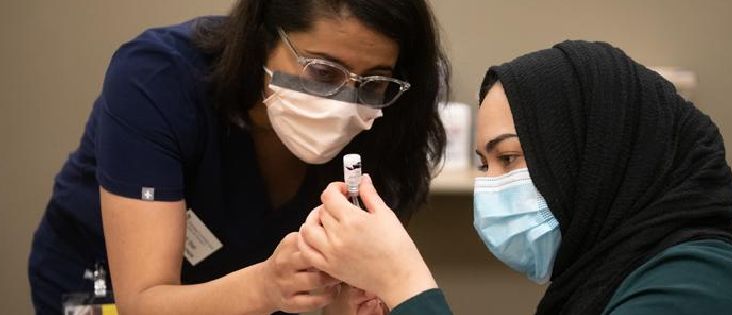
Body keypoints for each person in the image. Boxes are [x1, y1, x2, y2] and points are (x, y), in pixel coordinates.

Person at [297, 40, 732, 314]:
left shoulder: (699, 286)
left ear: (600, 156)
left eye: (511, 158)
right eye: (482, 164)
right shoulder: (604, 280)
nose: (491, 187)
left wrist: (405, 282)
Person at [27, 0, 448, 314]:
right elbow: (144, 301)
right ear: (261, 38)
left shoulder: (389, 117)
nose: (344, 102)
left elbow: (342, 296)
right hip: (104, 288)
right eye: (322, 72)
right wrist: (265, 286)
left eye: (372, 81)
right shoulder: (158, 79)